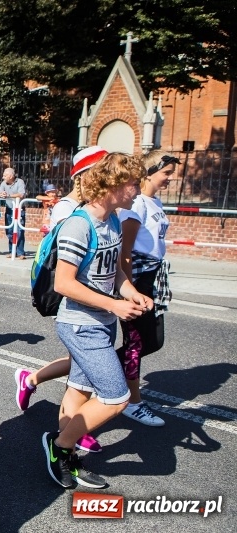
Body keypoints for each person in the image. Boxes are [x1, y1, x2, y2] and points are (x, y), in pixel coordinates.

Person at [42, 152, 153, 490]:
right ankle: (58, 448)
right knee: (116, 398)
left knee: (80, 389)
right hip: (80, 324)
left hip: (102, 321)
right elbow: (64, 283)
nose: (137, 190)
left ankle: (66, 447)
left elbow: (113, 269)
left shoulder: (113, 220)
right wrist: (114, 306)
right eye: (133, 184)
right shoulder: (79, 224)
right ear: (113, 184)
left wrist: (130, 292)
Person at [15, 146, 108, 453]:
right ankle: (67, 433)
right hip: (73, 301)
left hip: (94, 305)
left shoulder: (102, 207)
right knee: (83, 363)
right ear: (86, 175)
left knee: (81, 365)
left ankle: (64, 422)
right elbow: (64, 265)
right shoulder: (70, 210)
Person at [116, 150, 177, 427]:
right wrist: (128, 288)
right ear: (150, 171)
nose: (169, 178)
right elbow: (125, 250)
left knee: (153, 341)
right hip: (137, 278)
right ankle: (132, 402)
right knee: (136, 343)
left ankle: (100, 370)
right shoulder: (137, 202)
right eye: (166, 173)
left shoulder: (154, 201)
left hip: (152, 277)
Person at [0, 168, 26, 258]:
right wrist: (1, 195)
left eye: (5, 175)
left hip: (19, 209)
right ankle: (12, 251)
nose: (3, 177)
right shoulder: (3, 183)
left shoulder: (20, 182)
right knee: (9, 231)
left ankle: (20, 252)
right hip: (9, 209)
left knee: (19, 231)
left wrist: (9, 195)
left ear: (11, 176)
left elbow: (21, 194)